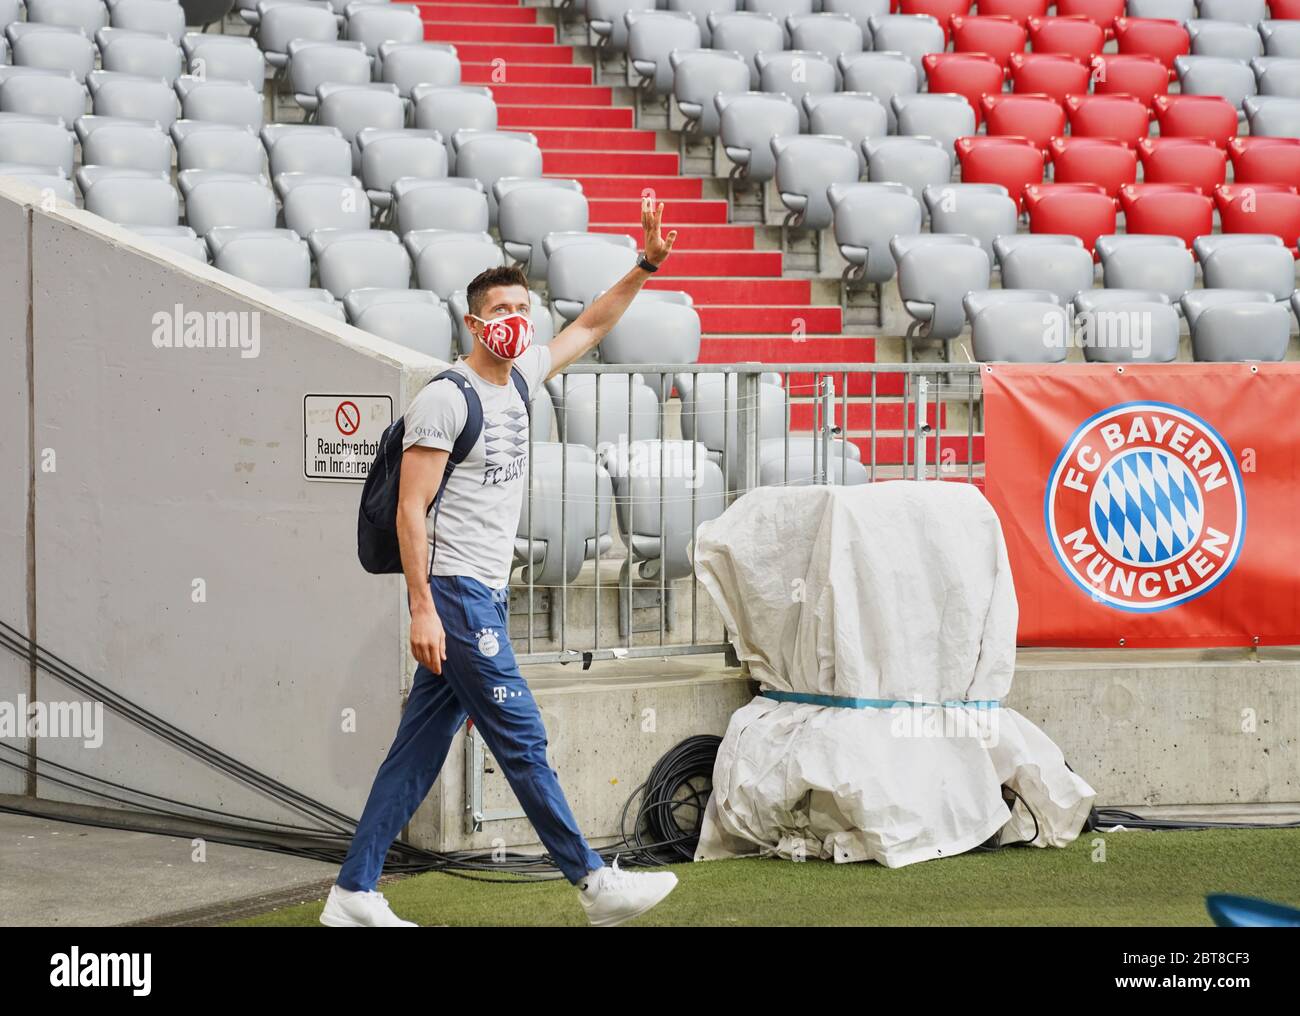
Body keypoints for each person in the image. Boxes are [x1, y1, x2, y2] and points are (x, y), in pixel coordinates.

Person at [320, 197, 679, 928]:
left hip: (480, 589)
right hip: (454, 594)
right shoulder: (445, 401)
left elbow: (593, 324)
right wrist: (421, 605)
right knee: (522, 736)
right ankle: (592, 883)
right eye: (503, 308)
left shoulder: (520, 377)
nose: (519, 317)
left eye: (524, 304)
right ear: (473, 323)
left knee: (414, 753)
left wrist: (644, 264)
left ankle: (353, 893)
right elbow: (410, 510)